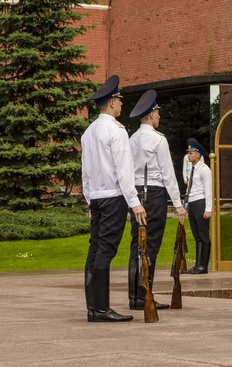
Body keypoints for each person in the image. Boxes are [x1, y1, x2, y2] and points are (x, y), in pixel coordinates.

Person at [82, 74, 147, 323]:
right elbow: (123, 170)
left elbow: (85, 170)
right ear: (111, 102)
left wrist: (89, 198)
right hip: (113, 197)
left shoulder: (88, 133)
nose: (121, 104)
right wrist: (135, 202)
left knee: (95, 247)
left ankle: (93, 307)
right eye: (119, 99)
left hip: (97, 197)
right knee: (106, 250)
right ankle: (100, 308)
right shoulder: (117, 131)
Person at [127, 89, 187, 310]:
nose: (159, 117)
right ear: (151, 115)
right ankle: (145, 294)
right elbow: (168, 175)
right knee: (150, 244)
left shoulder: (132, 139)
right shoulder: (158, 140)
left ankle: (135, 295)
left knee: (137, 244)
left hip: (136, 193)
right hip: (154, 194)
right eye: (158, 113)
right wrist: (178, 205)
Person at [182, 138, 212, 274]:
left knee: (203, 235)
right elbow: (190, 189)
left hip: (201, 202)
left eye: (191, 153)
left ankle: (203, 266)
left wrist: (208, 209)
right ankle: (197, 265)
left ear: (198, 154)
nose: (189, 155)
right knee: (197, 235)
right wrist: (187, 205)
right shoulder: (192, 169)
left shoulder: (204, 170)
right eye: (188, 153)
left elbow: (208, 189)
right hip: (193, 202)